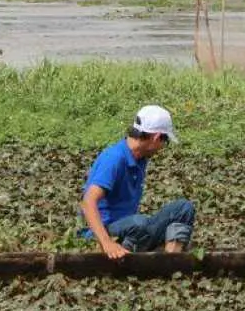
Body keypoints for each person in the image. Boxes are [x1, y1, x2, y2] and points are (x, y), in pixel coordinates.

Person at [79, 104, 195, 259]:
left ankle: (169, 260)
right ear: (156, 137)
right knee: (139, 224)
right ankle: (127, 253)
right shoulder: (114, 158)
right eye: (164, 140)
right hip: (106, 232)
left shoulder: (140, 158)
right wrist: (106, 242)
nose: (162, 147)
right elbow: (88, 201)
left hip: (131, 229)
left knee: (183, 208)